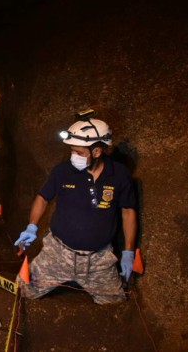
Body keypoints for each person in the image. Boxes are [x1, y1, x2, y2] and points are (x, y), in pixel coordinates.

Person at [14, 114, 137, 304]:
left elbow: (128, 211)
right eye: (72, 151)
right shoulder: (63, 171)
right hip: (58, 253)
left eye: (79, 153)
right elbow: (42, 198)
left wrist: (128, 252)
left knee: (116, 302)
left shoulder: (119, 175)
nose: (74, 157)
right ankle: (67, 277)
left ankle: (82, 280)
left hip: (99, 259)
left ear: (97, 151)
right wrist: (32, 226)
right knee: (22, 291)